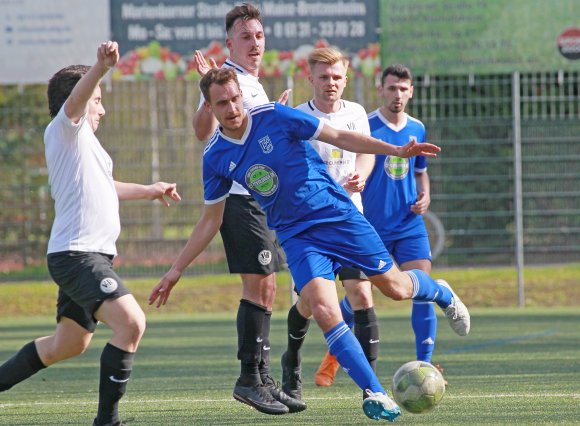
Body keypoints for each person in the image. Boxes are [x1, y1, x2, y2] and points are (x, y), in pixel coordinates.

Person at [149, 67, 470, 422]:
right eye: (221, 103)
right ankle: (375, 392)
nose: (232, 108)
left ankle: (440, 292)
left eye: (236, 98)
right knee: (324, 310)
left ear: (242, 95)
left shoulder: (274, 115)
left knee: (395, 288)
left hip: (338, 217)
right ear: (209, 106)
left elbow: (339, 137)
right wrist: (175, 270)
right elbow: (211, 219)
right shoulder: (215, 156)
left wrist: (396, 149)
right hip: (296, 237)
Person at [0, 41, 181, 426]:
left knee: (67, 344)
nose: (102, 107)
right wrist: (99, 69)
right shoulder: (64, 129)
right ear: (79, 101)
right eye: (97, 99)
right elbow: (77, 103)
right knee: (132, 323)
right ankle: (107, 421)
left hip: (88, 256)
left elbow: (105, 187)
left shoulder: (87, 147)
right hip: (77, 256)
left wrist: (150, 190)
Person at [190, 2, 298, 416]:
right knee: (259, 285)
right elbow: (202, 131)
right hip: (238, 198)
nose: (255, 43)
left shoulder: (253, 83)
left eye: (259, 35)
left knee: (268, 285)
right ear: (229, 43)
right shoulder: (222, 80)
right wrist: (205, 96)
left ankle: (262, 379)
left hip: (260, 198)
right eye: (246, 37)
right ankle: (249, 380)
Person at [314, 63, 449, 387]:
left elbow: (419, 170)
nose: (397, 94)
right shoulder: (366, 124)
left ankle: (425, 365)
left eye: (403, 89)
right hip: (370, 226)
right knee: (359, 295)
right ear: (381, 89)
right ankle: (335, 354)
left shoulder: (417, 127)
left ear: (411, 91)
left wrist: (425, 195)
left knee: (420, 288)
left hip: (408, 224)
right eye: (391, 88)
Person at [281, 47, 381, 400]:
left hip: (349, 219)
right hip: (311, 226)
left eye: (337, 77)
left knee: (361, 293)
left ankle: (372, 387)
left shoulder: (356, 113)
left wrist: (361, 178)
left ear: (346, 78)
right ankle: (291, 359)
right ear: (310, 78)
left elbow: (365, 152)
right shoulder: (297, 118)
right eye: (323, 77)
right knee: (309, 305)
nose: (331, 83)